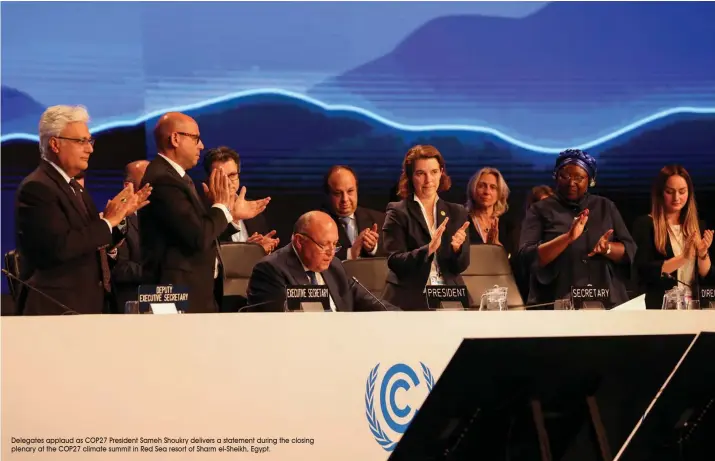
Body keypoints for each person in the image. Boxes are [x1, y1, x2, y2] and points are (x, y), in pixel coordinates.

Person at [15, 105, 149, 315]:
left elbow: (91, 241)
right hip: (55, 308)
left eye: (90, 141)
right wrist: (107, 222)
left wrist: (120, 218)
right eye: (81, 141)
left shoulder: (75, 187)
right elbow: (59, 247)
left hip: (84, 307)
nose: (90, 149)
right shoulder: (37, 188)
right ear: (55, 144)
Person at [139, 112, 270, 313]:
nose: (201, 145)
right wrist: (223, 207)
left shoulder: (176, 177)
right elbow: (199, 236)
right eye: (196, 138)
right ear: (175, 139)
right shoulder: (165, 180)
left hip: (194, 293)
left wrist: (230, 214)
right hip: (176, 294)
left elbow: (198, 234)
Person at [519, 149, 636, 308]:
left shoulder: (605, 206)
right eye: (565, 176)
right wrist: (567, 238)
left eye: (579, 178)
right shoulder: (540, 209)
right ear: (556, 176)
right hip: (556, 301)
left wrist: (607, 248)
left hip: (606, 302)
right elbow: (527, 257)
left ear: (590, 180)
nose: (571, 182)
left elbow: (629, 252)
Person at [246, 211, 399, 311]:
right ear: (299, 242)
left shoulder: (334, 266)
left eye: (335, 244)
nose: (331, 253)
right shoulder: (271, 270)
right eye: (324, 245)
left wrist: (404, 317)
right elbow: (275, 323)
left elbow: (369, 301)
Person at [381, 145, 471, 311]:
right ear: (410, 176)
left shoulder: (457, 212)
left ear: (441, 172)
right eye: (420, 173)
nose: (429, 180)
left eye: (434, 172)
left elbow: (461, 266)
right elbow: (394, 261)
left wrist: (457, 250)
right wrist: (427, 250)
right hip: (410, 297)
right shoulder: (397, 211)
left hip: (450, 295)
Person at [633, 165, 713, 308]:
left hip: (695, 307)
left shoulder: (698, 226)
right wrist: (683, 258)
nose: (677, 198)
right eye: (670, 192)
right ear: (660, 193)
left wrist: (702, 254)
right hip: (662, 309)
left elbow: (707, 275)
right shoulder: (646, 224)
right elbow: (644, 271)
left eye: (682, 192)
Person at [202, 146, 279, 254]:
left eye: (232, 175)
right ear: (209, 179)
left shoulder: (253, 210)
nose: (228, 182)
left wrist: (262, 251)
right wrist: (247, 251)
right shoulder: (202, 213)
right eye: (221, 177)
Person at [322, 165, 385, 260]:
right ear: (328, 194)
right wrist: (350, 253)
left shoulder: (380, 219)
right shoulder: (318, 224)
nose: (345, 199)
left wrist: (373, 248)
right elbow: (315, 257)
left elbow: (395, 253)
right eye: (338, 193)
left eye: (350, 191)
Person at [110, 160, 150, 313]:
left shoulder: (166, 216)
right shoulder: (118, 221)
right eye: (148, 178)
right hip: (132, 308)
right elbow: (119, 268)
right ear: (128, 186)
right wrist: (159, 272)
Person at [465, 167, 518, 258]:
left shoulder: (509, 225)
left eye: (493, 187)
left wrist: (497, 247)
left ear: (500, 193)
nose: (487, 192)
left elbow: (515, 262)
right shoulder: (461, 221)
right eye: (481, 186)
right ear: (473, 189)